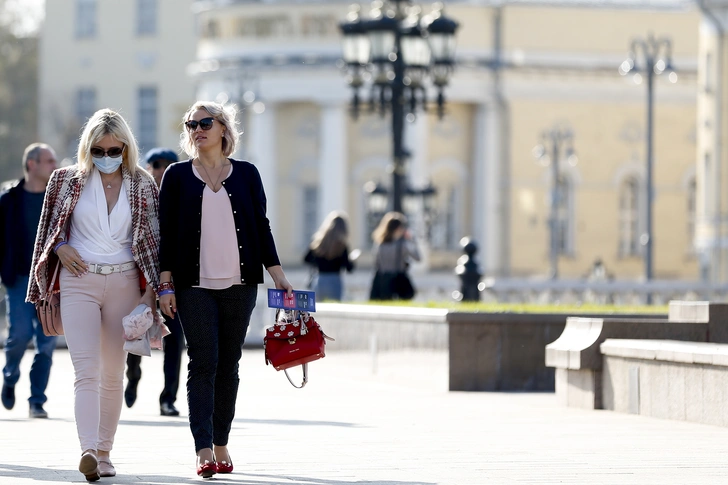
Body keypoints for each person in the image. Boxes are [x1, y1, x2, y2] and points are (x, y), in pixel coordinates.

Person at [158, 101, 293, 478]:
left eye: (205, 122)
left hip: (241, 283)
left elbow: (260, 227)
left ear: (223, 129)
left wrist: (278, 273)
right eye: (191, 124)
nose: (197, 129)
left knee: (229, 365)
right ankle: (203, 448)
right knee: (204, 361)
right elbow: (165, 235)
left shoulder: (247, 174)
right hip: (192, 285)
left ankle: (221, 441)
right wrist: (165, 285)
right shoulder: (177, 176)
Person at [26, 109, 160, 481]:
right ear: (87, 148)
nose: (106, 156)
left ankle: (104, 452)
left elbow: (153, 242)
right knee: (85, 370)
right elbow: (49, 230)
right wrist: (60, 248)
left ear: (125, 147)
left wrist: (150, 297)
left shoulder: (143, 184)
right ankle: (87, 449)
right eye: (98, 149)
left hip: (124, 282)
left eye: (113, 149)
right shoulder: (65, 180)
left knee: (113, 373)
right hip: (78, 281)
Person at [124, 147, 186, 417]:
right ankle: (133, 373)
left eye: (170, 164)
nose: (163, 169)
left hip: (175, 282)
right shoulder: (136, 199)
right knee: (135, 332)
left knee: (175, 342)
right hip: (140, 281)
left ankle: (168, 398)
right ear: (148, 168)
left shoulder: (186, 198)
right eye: (157, 164)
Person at [0, 143, 58, 419]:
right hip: (19, 279)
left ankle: (37, 400)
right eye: (49, 161)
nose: (54, 166)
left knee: (46, 341)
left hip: (49, 282)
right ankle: (9, 377)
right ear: (32, 165)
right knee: (19, 336)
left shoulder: (57, 198)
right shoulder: (9, 199)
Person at [303, 211, 357, 301]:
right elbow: (349, 268)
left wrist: (319, 261)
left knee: (319, 307)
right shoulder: (341, 245)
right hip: (335, 280)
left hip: (320, 279)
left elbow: (306, 259)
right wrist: (352, 259)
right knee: (334, 307)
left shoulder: (318, 242)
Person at [369, 211, 420, 300]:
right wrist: (412, 240)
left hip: (383, 280)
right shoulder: (403, 245)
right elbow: (418, 258)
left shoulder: (379, 244)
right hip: (398, 280)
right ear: (398, 228)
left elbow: (376, 263)